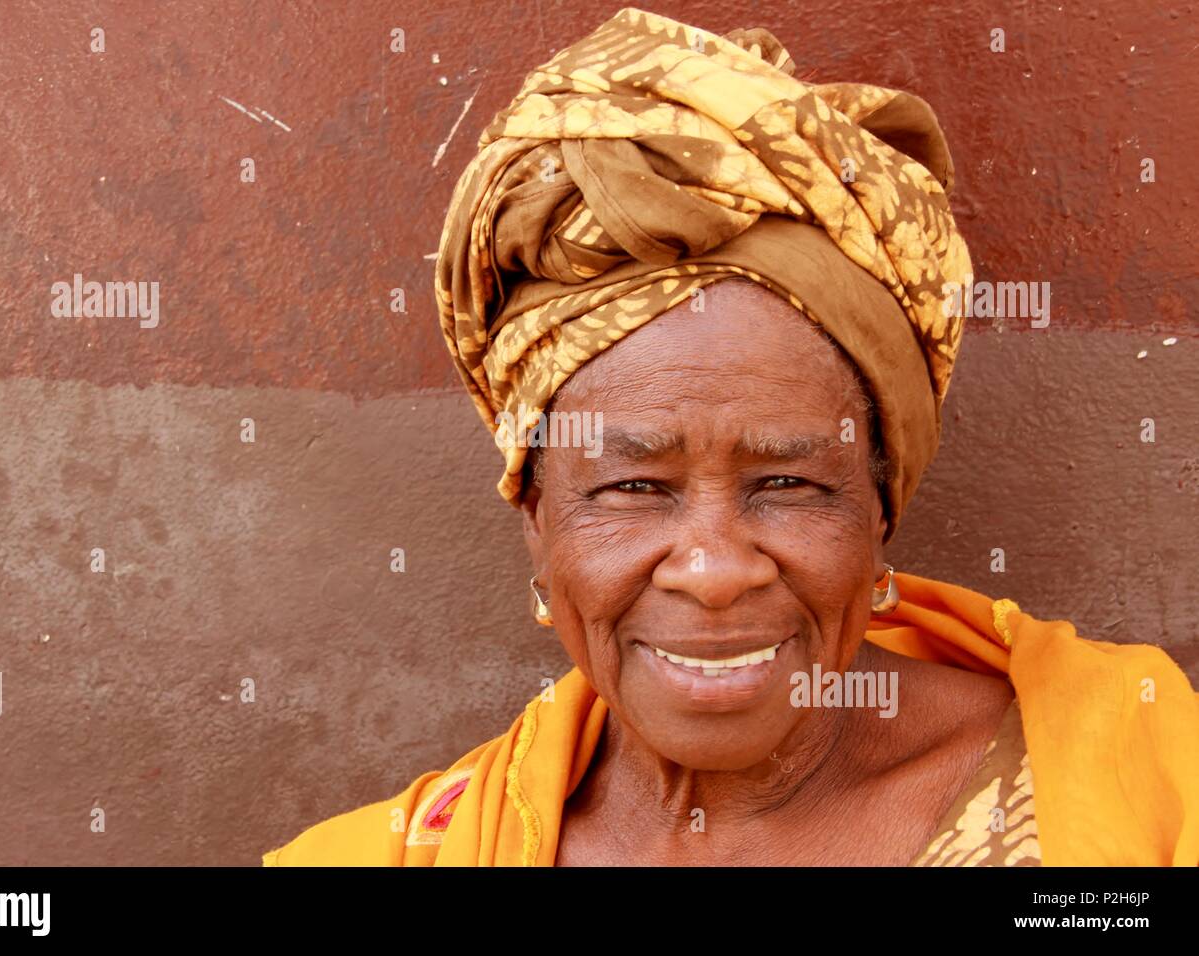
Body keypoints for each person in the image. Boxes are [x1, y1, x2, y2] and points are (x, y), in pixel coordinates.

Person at [265, 7, 1199, 866]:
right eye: (633, 488)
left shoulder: (1147, 785)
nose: (713, 573)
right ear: (536, 520)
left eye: (788, 485)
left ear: (880, 508)